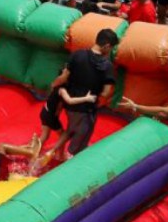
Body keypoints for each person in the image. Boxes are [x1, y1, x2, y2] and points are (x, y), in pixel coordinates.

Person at [48, 29, 117, 159]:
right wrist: (98, 103)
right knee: (79, 146)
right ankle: (68, 163)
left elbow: (63, 77)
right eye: (111, 48)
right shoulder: (107, 66)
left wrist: (53, 86)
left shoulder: (77, 54)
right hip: (86, 109)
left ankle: (54, 152)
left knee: (71, 129)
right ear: (107, 46)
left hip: (70, 105)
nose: (110, 51)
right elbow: (106, 93)